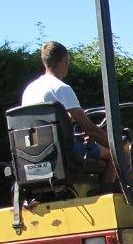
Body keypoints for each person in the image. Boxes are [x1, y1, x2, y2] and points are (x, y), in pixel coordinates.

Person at [21, 41, 117, 185]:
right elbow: (89, 128)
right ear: (64, 61)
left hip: (32, 155)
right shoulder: (61, 88)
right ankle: (107, 193)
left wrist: (68, 120)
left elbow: (42, 123)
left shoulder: (29, 90)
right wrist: (115, 145)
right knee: (113, 154)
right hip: (63, 152)